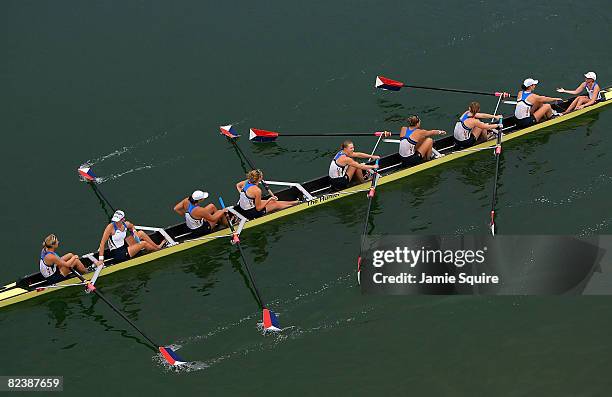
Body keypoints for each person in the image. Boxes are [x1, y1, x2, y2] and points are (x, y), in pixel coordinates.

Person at [98, 210, 165, 265]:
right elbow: (102, 244)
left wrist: (134, 232)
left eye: (118, 220)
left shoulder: (126, 224)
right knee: (143, 243)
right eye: (115, 220)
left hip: (124, 245)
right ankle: (157, 250)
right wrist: (101, 260)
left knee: (141, 233)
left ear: (123, 219)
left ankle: (157, 246)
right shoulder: (110, 227)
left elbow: (132, 227)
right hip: (119, 254)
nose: (116, 222)